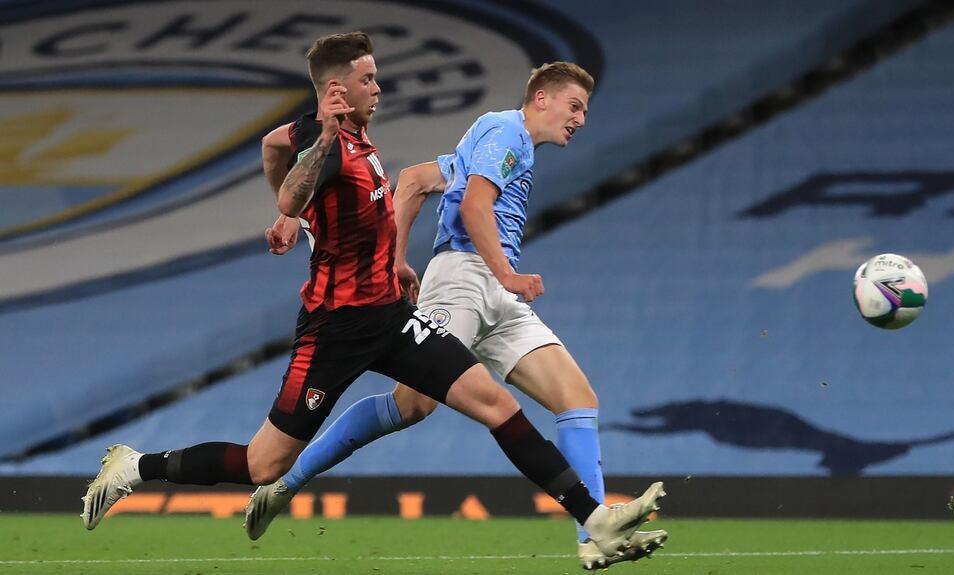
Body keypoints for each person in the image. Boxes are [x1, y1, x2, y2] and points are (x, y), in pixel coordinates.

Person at [79, 33, 665, 563]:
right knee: (263, 463)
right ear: (338, 89)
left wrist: (341, 236)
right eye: (368, 80)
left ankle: (594, 520)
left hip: (389, 315)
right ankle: (134, 467)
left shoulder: (357, 137)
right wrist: (299, 196)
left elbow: (269, 147)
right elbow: (289, 191)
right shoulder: (326, 138)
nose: (378, 88)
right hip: (335, 328)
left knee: (495, 404)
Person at [249, 61, 667, 570]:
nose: (579, 119)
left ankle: (593, 533)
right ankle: (285, 481)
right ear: (540, 98)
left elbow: (415, 180)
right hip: (465, 281)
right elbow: (473, 207)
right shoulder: (505, 131)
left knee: (577, 399)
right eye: (573, 106)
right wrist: (503, 276)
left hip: (494, 289)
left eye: (584, 110)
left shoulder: (498, 145)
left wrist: (396, 259)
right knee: (412, 406)